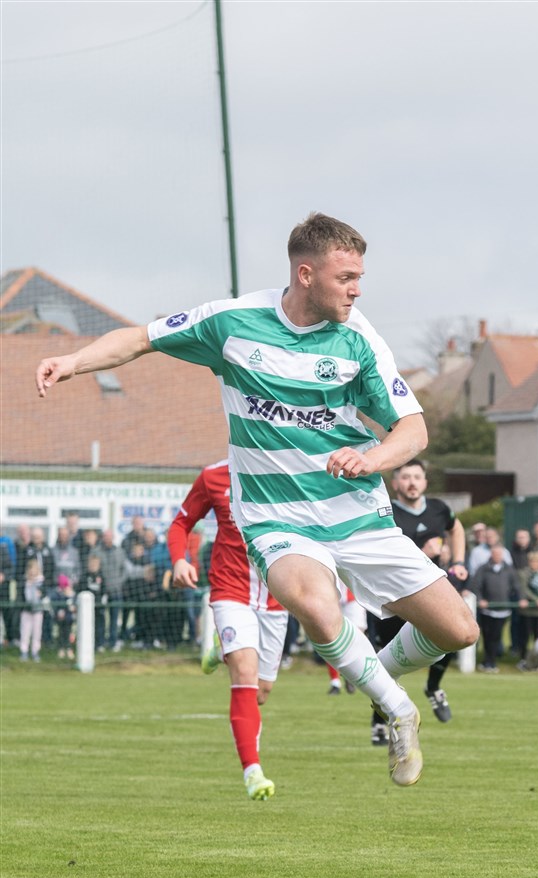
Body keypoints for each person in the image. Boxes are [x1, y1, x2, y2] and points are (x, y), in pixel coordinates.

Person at [35, 213, 480, 788]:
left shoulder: (360, 340)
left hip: (354, 510)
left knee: (459, 631)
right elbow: (140, 339)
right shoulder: (233, 322)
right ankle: (399, 708)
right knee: (315, 605)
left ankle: (376, 684)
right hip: (276, 515)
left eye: (360, 276)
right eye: (346, 276)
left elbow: (412, 430)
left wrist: (372, 459)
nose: (357, 288)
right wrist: (73, 362)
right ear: (305, 273)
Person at [168, 459, 290, 799]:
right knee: (246, 676)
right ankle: (253, 771)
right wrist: (180, 559)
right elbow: (181, 524)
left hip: (277, 597)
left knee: (262, 691)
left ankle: (222, 648)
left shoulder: (293, 470)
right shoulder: (213, 476)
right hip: (230, 591)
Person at [365, 459, 466, 742]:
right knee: (388, 658)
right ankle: (379, 720)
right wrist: (423, 550)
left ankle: (433, 687)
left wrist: (458, 560)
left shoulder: (439, 509)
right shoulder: (386, 511)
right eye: (405, 477)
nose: (411, 482)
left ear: (425, 482)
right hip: (395, 595)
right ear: (395, 483)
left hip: (431, 590)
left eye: (417, 477)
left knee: (452, 635)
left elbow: (455, 529)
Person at [468, 539, 517, 672]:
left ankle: (492, 661)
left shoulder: (509, 569)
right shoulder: (483, 569)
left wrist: (519, 598)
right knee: (488, 636)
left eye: (499, 554)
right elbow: (475, 586)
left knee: (497, 636)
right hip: (487, 610)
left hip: (503, 610)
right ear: (491, 554)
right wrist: (481, 599)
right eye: (495, 554)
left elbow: (516, 586)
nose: (497, 556)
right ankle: (488, 661)